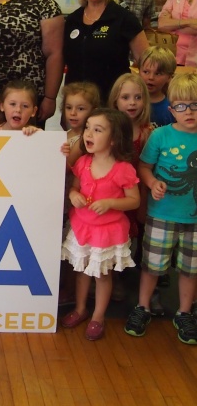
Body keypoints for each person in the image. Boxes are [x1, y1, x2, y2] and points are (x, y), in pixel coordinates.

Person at [125, 73, 197, 345]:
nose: (188, 111)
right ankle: (142, 306)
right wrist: (153, 182)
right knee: (152, 265)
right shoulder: (159, 135)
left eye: (194, 105)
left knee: (191, 268)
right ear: (171, 109)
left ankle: (185, 312)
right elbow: (143, 166)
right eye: (181, 106)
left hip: (194, 218)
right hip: (162, 214)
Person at [61, 109, 139, 341]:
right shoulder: (84, 162)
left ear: (114, 138)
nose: (89, 134)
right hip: (82, 226)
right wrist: (73, 194)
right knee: (81, 270)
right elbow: (75, 187)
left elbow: (134, 200)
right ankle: (80, 308)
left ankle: (98, 316)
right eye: (87, 128)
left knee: (102, 275)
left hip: (107, 233)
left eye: (98, 130)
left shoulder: (123, 169)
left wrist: (111, 203)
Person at [64, 0, 149, 103]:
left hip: (112, 102)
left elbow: (146, 63)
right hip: (76, 105)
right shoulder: (72, 20)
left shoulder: (125, 19)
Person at [107, 73, 152, 298]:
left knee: (134, 233)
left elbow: (148, 169)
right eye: (125, 97)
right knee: (115, 235)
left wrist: (143, 199)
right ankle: (113, 278)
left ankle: (137, 274)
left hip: (138, 193)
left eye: (137, 97)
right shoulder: (109, 130)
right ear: (115, 100)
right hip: (114, 194)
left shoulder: (147, 133)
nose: (132, 103)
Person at [58, 82, 101, 307]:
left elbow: (68, 165)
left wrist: (65, 153)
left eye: (81, 108)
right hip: (62, 197)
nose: (73, 113)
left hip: (81, 201)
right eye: (69, 107)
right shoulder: (63, 136)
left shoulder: (87, 139)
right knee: (65, 245)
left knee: (76, 246)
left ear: (93, 110)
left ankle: (73, 289)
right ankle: (64, 286)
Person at [138, 46, 177, 127]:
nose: (151, 77)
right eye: (146, 72)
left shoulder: (172, 107)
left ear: (169, 77)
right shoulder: (131, 102)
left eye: (158, 73)